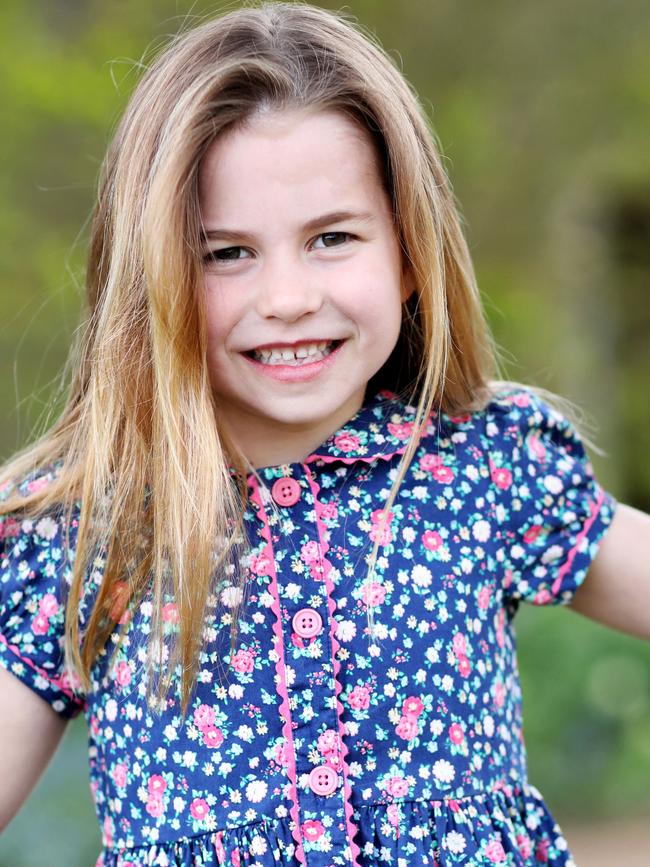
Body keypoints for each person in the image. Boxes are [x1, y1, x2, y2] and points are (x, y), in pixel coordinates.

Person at [0, 3, 648, 865]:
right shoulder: (86, 527)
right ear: (151, 275)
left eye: (332, 238)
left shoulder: (483, 465)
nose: (289, 296)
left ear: (411, 253)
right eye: (226, 253)